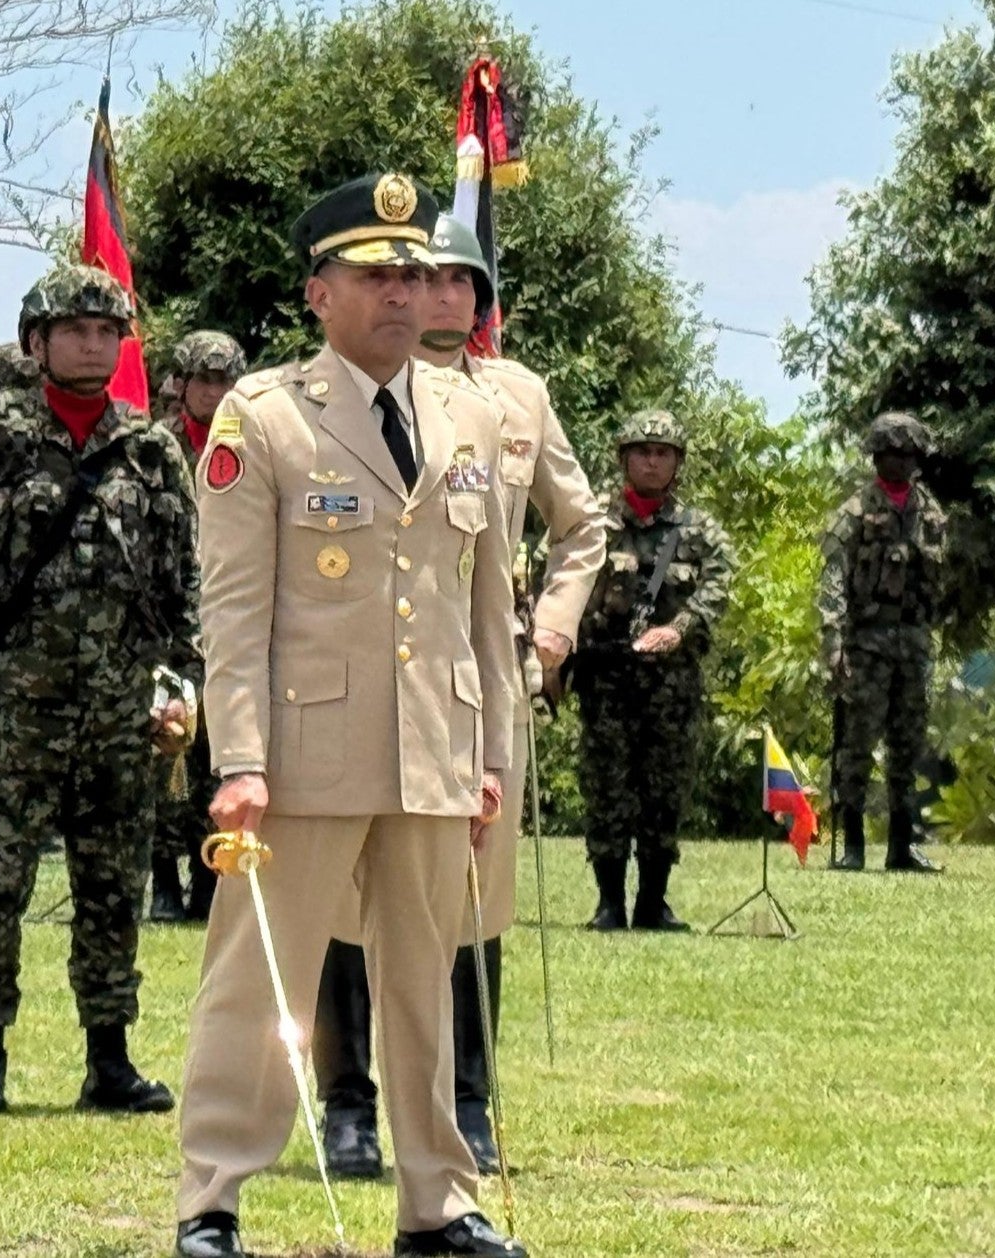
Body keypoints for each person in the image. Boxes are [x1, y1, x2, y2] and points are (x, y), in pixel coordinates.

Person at [175, 172, 525, 1258]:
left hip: (434, 748)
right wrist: (239, 759)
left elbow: (484, 606)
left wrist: (491, 755)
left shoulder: (473, 412)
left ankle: (438, 1201)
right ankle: (214, 1197)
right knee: (259, 976)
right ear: (318, 292)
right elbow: (235, 614)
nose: (400, 296)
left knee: (427, 982)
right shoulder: (267, 417)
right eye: (374, 276)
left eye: (415, 276)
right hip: (304, 748)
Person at [310, 212, 606, 1181]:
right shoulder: (338, 393)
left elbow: (580, 525)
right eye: (419, 277)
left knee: (477, 895)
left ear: (480, 302)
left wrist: (555, 625)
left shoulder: (517, 398)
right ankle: (349, 1105)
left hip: (477, 685)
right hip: (362, 681)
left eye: (456, 282)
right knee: (351, 893)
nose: (437, 296)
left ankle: (468, 1103)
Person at [0, 265, 200, 1116]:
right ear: (37, 343)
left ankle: (110, 1057)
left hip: (114, 712)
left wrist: (179, 685)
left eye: (108, 334)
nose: (94, 346)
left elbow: (183, 584)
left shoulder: (150, 451)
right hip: (5, 711)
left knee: (112, 886)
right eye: (75, 332)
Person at [571, 409, 733, 931]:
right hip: (607, 681)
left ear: (677, 463)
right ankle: (609, 902)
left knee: (664, 791)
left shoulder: (698, 529)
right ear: (624, 458)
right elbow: (563, 580)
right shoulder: (592, 521)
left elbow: (719, 583)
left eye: (663, 453)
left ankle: (654, 903)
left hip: (671, 685)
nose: (652, 461)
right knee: (607, 788)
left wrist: (680, 628)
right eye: (642, 451)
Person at [148, 330, 248, 925]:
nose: (215, 393)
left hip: (232, 619)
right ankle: (163, 882)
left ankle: (210, 881)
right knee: (168, 752)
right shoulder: (154, 447)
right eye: (205, 381)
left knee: (221, 756)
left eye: (225, 382)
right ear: (182, 384)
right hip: (167, 622)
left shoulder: (252, 443)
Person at [819, 411, 947, 873]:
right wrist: (833, 644)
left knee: (907, 745)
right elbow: (832, 579)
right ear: (876, 457)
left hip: (912, 643)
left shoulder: (929, 513)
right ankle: (852, 845)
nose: (899, 462)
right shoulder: (853, 512)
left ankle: (901, 846)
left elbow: (938, 580)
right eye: (890, 454)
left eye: (907, 454)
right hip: (866, 643)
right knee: (856, 745)